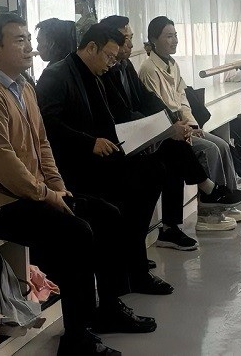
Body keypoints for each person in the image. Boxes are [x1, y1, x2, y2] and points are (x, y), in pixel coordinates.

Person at [0, 13, 151, 356]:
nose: (29, 47)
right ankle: (76, 338)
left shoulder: (23, 86)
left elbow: (42, 144)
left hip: (32, 194)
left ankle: (107, 309)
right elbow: (5, 165)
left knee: (107, 215)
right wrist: (47, 195)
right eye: (19, 40)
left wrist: (58, 187)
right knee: (77, 232)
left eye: (28, 39)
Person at [35, 24, 173, 291]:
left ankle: (133, 266)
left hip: (100, 158)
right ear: (91, 48)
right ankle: (130, 273)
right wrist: (89, 143)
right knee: (132, 190)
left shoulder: (96, 73)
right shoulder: (57, 75)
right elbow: (47, 126)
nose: (112, 62)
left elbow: (111, 118)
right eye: (109, 56)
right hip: (74, 165)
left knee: (154, 170)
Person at [99, 15, 241, 244]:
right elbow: (126, 113)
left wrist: (181, 124)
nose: (130, 44)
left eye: (131, 38)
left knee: (191, 147)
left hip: (161, 126)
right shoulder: (121, 70)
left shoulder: (127, 66)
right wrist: (167, 127)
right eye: (125, 39)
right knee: (181, 148)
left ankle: (180, 221)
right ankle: (208, 199)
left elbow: (155, 100)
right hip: (126, 140)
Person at [137, 16, 241, 227]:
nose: (175, 40)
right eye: (169, 36)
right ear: (154, 40)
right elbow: (158, 109)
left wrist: (193, 125)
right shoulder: (148, 69)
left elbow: (183, 99)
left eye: (175, 35)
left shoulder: (172, 64)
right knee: (210, 149)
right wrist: (184, 127)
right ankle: (208, 213)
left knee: (222, 145)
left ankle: (227, 202)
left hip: (184, 125)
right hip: (169, 132)